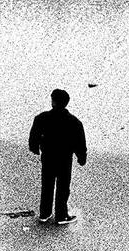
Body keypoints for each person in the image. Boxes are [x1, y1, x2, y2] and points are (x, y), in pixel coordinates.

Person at [28, 89, 87, 225]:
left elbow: (33, 137)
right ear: (66, 103)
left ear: (53, 101)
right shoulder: (74, 122)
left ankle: (45, 213)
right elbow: (80, 142)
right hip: (65, 159)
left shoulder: (41, 118)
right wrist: (81, 157)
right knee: (63, 187)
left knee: (47, 185)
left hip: (48, 157)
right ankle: (61, 216)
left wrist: (35, 149)